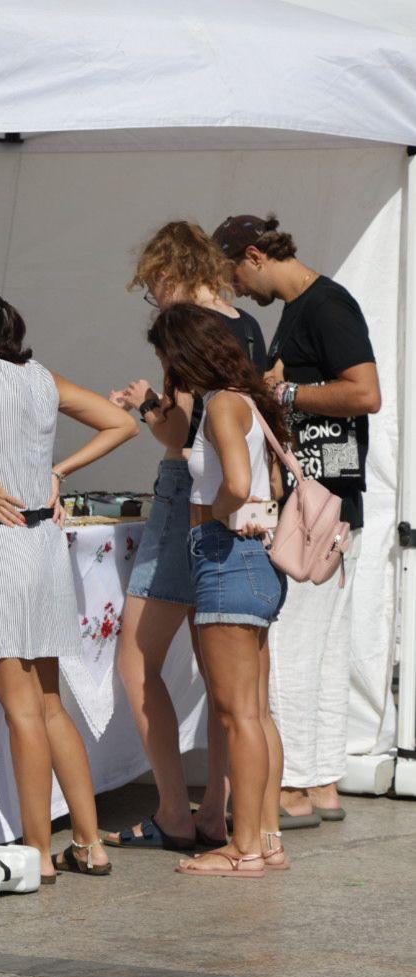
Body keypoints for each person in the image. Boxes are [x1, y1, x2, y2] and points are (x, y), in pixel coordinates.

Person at [0, 290, 136, 881]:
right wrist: (59, 471)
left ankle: (35, 852)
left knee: (21, 708)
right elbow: (121, 422)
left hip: (0, 541)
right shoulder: (42, 376)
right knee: (49, 703)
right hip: (45, 541)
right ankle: (89, 841)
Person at [104, 221, 274, 850]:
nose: (156, 299)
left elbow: (179, 436)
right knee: (234, 683)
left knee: (137, 656)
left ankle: (175, 811)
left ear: (171, 271)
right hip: (249, 513)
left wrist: (149, 403)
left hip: (191, 498)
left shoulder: (186, 334)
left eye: (154, 285)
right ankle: (226, 814)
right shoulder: (248, 327)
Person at [213, 213, 380, 824]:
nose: (234, 290)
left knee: (287, 644)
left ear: (254, 255)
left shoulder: (326, 305)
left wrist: (282, 394)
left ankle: (294, 786)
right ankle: (323, 780)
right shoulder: (300, 310)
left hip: (319, 506)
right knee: (323, 645)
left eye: (232, 273)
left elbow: (365, 393)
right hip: (328, 504)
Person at [148, 303, 292, 876]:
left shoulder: (223, 405)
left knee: (237, 717)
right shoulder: (248, 401)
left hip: (227, 560)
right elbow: (269, 479)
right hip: (255, 565)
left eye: (167, 355)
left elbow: (235, 482)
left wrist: (218, 518)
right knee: (255, 713)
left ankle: (246, 846)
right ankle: (268, 838)